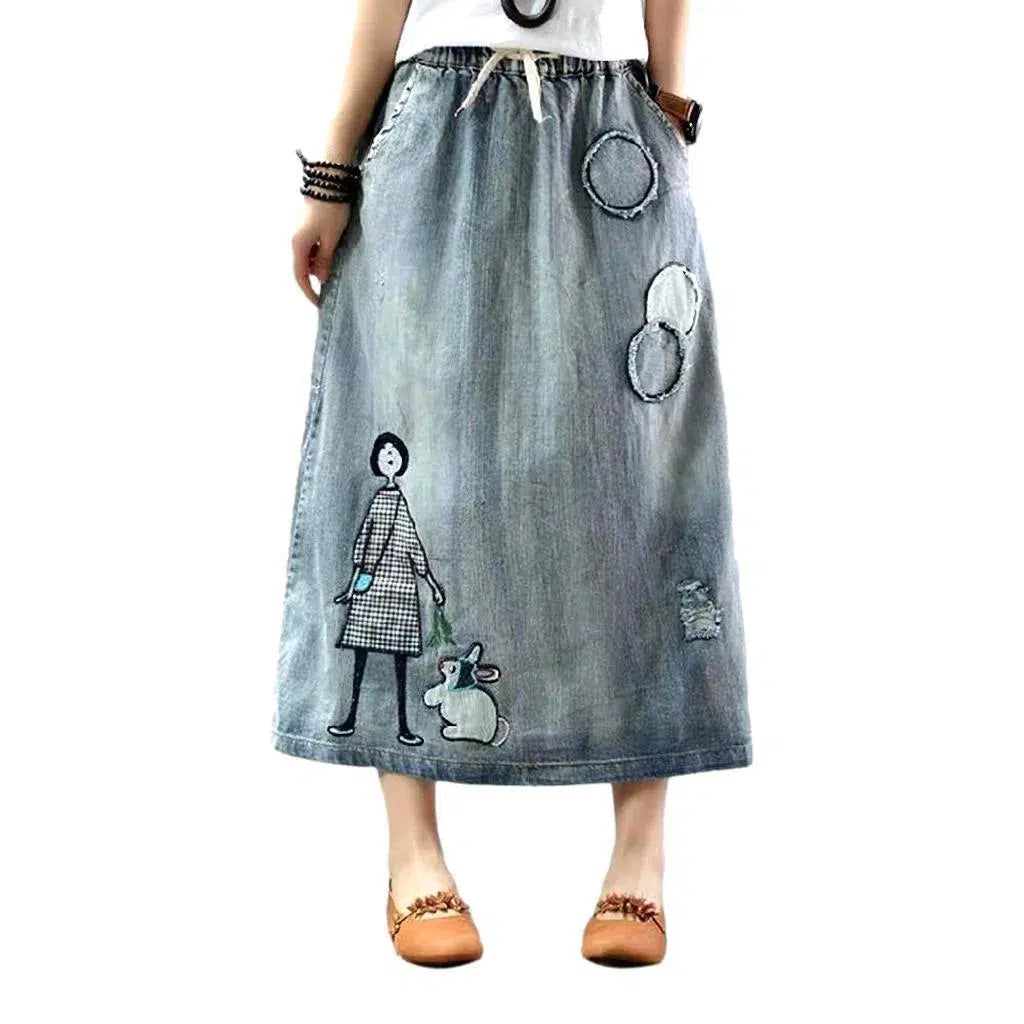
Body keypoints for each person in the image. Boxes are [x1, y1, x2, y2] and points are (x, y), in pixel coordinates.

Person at [277, 0, 752, 968]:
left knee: (641, 479)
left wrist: (667, 107)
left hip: (610, 136)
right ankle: (412, 853)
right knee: (412, 458)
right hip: (434, 134)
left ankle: (640, 854)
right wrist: (332, 175)